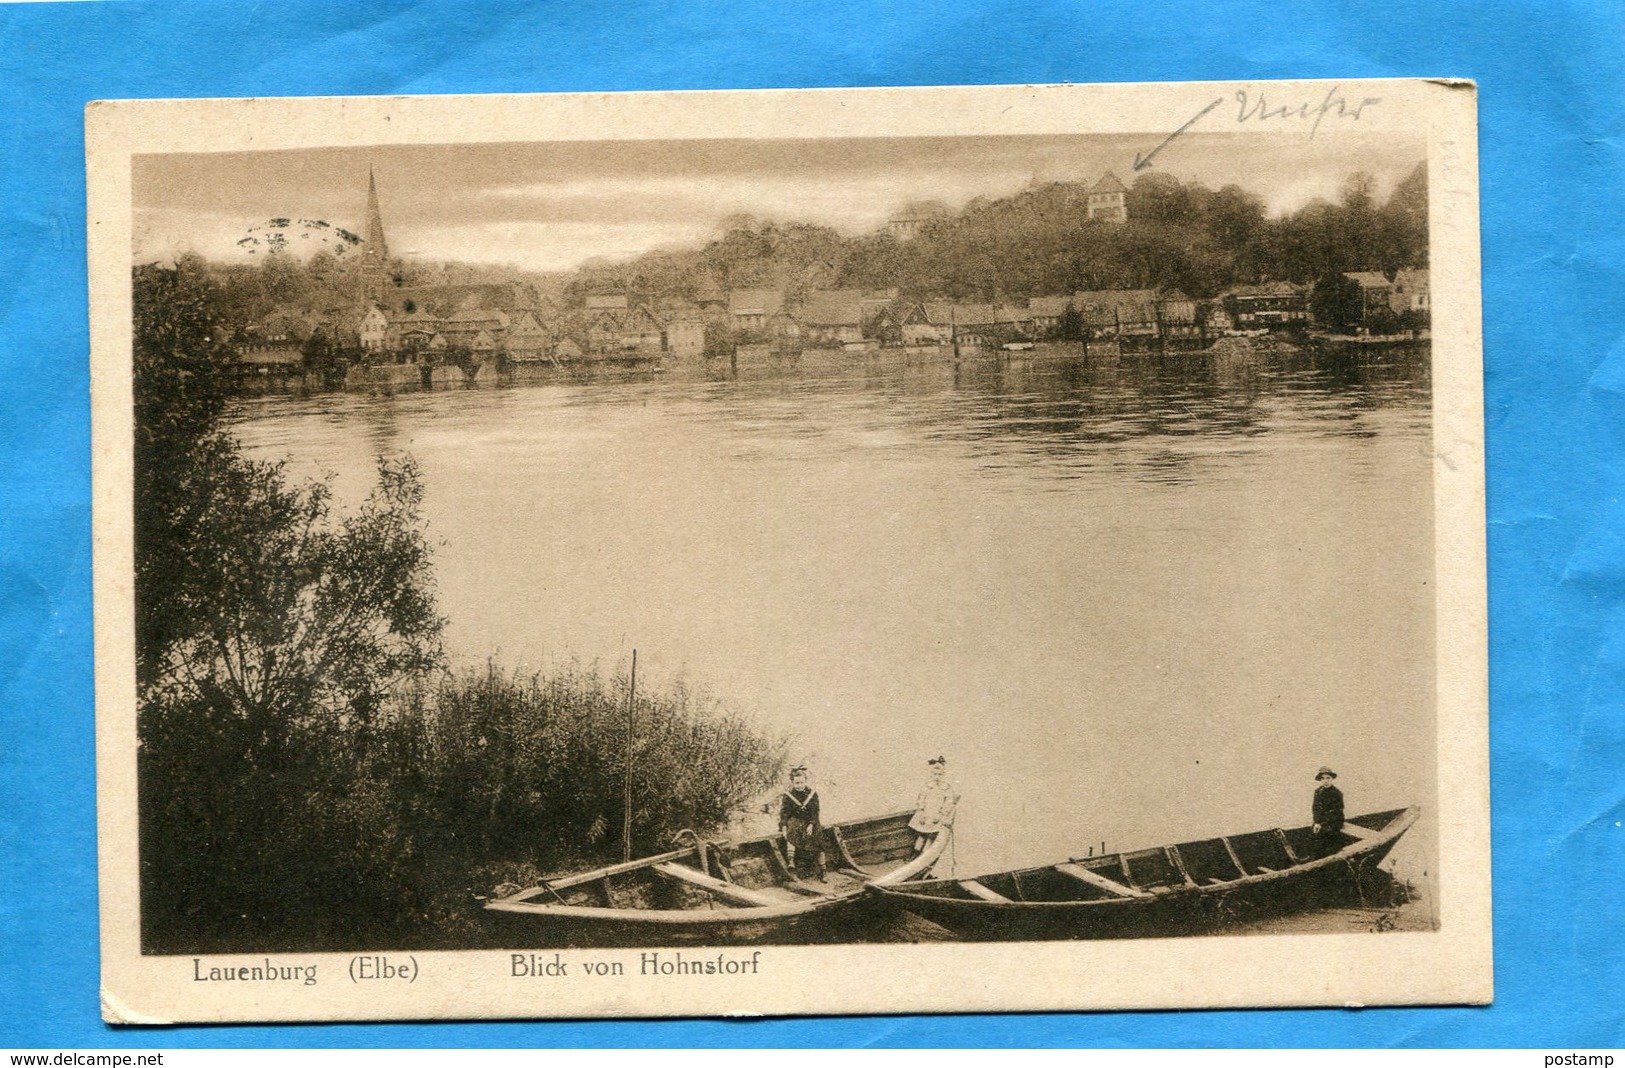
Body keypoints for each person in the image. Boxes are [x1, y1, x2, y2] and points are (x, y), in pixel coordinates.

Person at [777, 765, 824, 880]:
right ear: (792, 783)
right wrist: (783, 826)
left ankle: (822, 867)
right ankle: (791, 862)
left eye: (802, 783)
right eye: (797, 783)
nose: (799, 786)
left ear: (805, 782)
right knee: (791, 831)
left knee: (817, 834)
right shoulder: (788, 796)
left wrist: (812, 824)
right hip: (796, 820)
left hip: (810, 820)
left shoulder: (812, 794)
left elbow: (815, 811)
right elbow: (784, 812)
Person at [909, 755, 960, 854]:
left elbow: (948, 803)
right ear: (931, 775)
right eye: (935, 774)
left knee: (931, 836)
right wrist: (921, 812)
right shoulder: (927, 786)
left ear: (943, 775)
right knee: (921, 835)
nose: (937, 777)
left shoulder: (946, 788)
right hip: (925, 814)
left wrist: (941, 814)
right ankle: (915, 853)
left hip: (937, 815)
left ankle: (925, 854)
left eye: (940, 775)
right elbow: (921, 799)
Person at [1311, 766, 1345, 857]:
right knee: (1314, 833)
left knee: (1328, 835)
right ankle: (1317, 856)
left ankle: (1331, 856)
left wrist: (1322, 823)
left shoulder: (1337, 793)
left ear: (1332, 779)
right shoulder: (1318, 792)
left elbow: (1336, 812)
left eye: (1328, 778)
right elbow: (1316, 808)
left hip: (1334, 820)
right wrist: (1317, 822)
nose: (1325, 781)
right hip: (1322, 821)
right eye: (1322, 778)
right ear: (1320, 780)